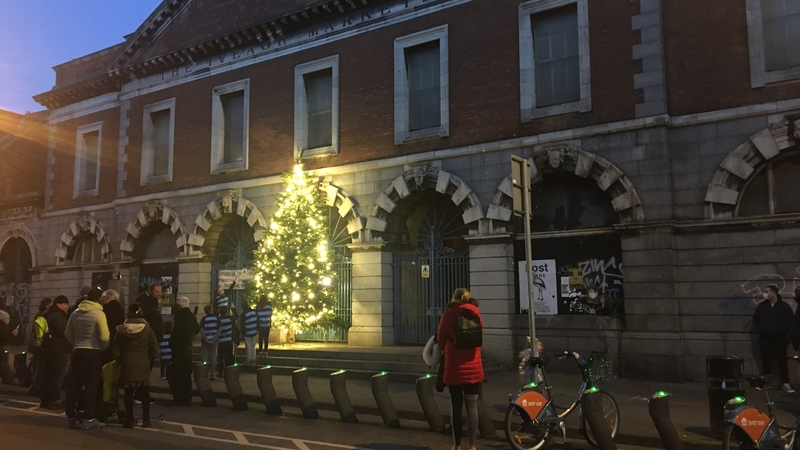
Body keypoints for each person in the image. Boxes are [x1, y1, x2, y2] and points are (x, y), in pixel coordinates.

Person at [436, 288, 483, 450]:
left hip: (454, 367)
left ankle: (456, 445)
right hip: (473, 366)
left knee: (456, 406)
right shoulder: (476, 314)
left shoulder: (448, 314)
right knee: (472, 406)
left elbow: (441, 341)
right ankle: (472, 445)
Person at [64, 286, 110, 429]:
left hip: (78, 351)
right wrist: (103, 346)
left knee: (73, 385)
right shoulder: (99, 314)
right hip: (93, 353)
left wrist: (76, 343)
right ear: (99, 299)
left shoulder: (75, 313)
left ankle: (70, 417)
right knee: (91, 386)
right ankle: (89, 418)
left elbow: (68, 333)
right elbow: (104, 336)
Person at [113, 303, 158, 428]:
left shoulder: (121, 330)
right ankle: (146, 419)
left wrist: (120, 359)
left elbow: (115, 347)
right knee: (144, 393)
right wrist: (147, 358)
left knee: (128, 393)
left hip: (127, 362)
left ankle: (129, 419)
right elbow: (154, 347)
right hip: (143, 362)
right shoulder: (147, 329)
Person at [753, 284, 795, 393]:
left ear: (773, 293)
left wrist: (782, 331)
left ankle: (785, 383)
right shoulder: (762, 306)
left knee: (782, 361)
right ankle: (766, 383)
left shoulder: (784, 306)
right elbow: (756, 319)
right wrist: (761, 329)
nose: (765, 294)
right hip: (765, 338)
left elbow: (791, 321)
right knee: (766, 361)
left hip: (779, 339)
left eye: (767, 291)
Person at [39, 296, 70, 409]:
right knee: (56, 375)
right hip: (58, 348)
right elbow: (63, 331)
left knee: (48, 374)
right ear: (58, 304)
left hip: (48, 347)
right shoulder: (57, 315)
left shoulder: (47, 313)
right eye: (65, 304)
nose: (67, 306)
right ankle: (52, 399)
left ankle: (45, 399)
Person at [170, 296, 199, 406]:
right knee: (187, 373)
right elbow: (197, 329)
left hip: (179, 348)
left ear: (179, 306)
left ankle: (180, 397)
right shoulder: (191, 316)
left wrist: (172, 343)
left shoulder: (180, 316)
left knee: (179, 373)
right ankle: (187, 396)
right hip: (188, 347)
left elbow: (176, 333)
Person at [28, 297, 53, 396]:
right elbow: (40, 332)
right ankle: (35, 388)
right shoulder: (42, 315)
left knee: (37, 366)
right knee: (39, 368)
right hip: (40, 345)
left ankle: (34, 387)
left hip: (37, 344)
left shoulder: (39, 314)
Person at [101, 289, 125, 364]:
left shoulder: (105, 308)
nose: (104, 300)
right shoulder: (120, 308)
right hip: (117, 335)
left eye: (104, 298)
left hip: (107, 335)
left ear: (108, 297)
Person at [200, 304, 220, 379]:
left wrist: (206, 339)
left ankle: (203, 373)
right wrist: (214, 339)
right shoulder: (216, 318)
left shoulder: (203, 319)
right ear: (211, 310)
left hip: (206, 341)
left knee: (205, 357)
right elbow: (219, 329)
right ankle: (212, 373)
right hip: (214, 341)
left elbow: (202, 330)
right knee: (213, 357)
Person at [217, 306, 234, 376]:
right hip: (229, 340)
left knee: (220, 357)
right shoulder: (230, 319)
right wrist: (233, 309)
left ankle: (220, 372)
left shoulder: (218, 319)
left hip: (221, 341)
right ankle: (228, 372)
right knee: (228, 357)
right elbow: (236, 317)